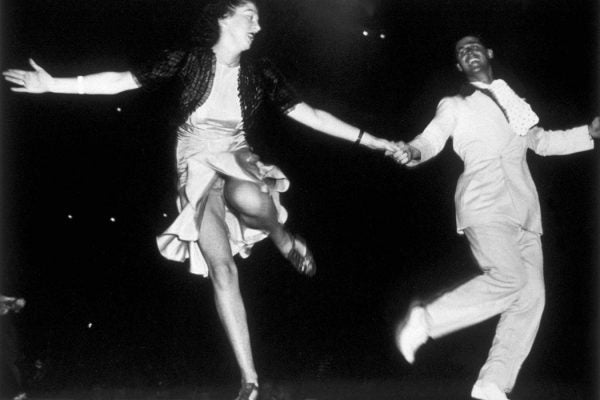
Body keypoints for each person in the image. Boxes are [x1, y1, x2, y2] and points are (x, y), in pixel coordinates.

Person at [3, 1, 398, 399]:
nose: (258, 26)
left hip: (237, 156)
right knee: (222, 271)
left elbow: (310, 113)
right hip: (194, 165)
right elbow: (122, 80)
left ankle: (281, 236)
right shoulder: (188, 59)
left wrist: (373, 140)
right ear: (224, 17)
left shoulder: (260, 72)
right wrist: (54, 84)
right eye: (250, 15)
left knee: (245, 192)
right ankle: (250, 380)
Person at [389, 35, 599, 400]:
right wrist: (413, 150)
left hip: (525, 215)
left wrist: (590, 134)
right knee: (510, 279)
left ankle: (492, 383)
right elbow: (432, 138)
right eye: (460, 51)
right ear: (458, 66)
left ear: (489, 54)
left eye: (474, 47)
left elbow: (543, 143)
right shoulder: (455, 104)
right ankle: (428, 319)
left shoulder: (514, 103)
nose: (468, 52)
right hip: (483, 204)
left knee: (532, 297)